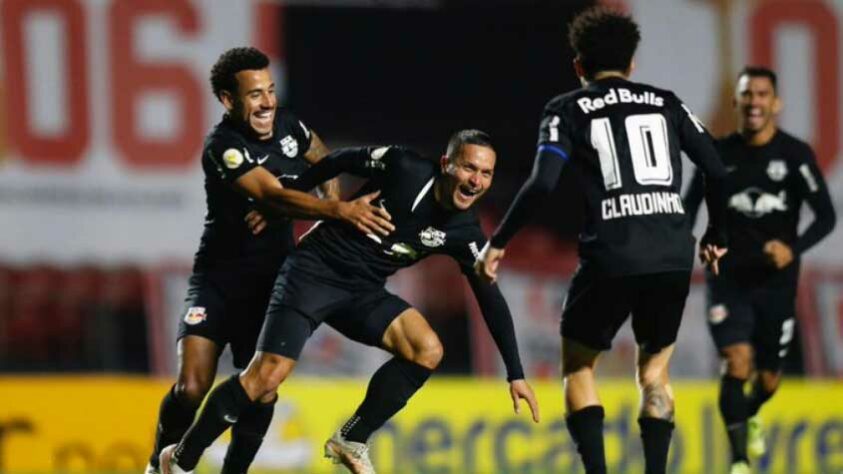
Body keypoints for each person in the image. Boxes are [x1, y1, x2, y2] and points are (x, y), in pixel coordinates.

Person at [159, 129, 540, 474]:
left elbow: (489, 296)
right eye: (469, 168)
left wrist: (516, 372)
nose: (476, 181)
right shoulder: (405, 166)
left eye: (486, 174)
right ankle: (180, 459)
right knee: (266, 377)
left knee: (427, 349)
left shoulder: (465, 232)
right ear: (447, 164)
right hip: (314, 270)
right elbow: (341, 159)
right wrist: (297, 192)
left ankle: (352, 438)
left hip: (362, 292)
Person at [476, 8, 729, 474]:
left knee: (578, 366)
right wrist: (716, 233)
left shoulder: (566, 109)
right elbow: (716, 169)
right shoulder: (666, 102)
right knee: (654, 373)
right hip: (671, 253)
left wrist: (500, 241)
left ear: (578, 66)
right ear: (633, 64)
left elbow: (542, 183)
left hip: (611, 251)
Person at [145, 46, 393, 474]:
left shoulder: (290, 127)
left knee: (262, 391)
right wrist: (340, 211)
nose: (266, 102)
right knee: (191, 386)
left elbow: (324, 158)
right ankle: (158, 466)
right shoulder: (223, 146)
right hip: (217, 281)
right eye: (254, 94)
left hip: (272, 281)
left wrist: (325, 205)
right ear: (227, 100)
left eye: (270, 90)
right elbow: (272, 195)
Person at [684, 66, 836, 474]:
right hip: (728, 280)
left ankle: (749, 413)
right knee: (736, 362)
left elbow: (826, 217)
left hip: (776, 285)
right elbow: (687, 208)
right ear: (736, 101)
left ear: (776, 102)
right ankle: (738, 461)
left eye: (762, 94)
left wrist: (794, 248)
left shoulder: (794, 155)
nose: (754, 102)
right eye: (747, 94)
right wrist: (698, 242)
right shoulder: (717, 154)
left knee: (768, 379)